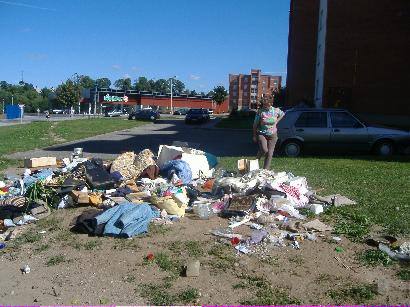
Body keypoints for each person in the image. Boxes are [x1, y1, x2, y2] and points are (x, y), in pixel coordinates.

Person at [252, 95, 285, 169]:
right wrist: (254, 136)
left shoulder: (276, 110)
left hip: (273, 135)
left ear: (271, 103)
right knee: (264, 150)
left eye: (266, 104)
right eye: (263, 104)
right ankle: (255, 162)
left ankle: (265, 171)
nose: (264, 106)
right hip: (262, 134)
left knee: (269, 154)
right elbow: (254, 125)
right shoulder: (260, 112)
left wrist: (276, 121)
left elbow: (283, 114)